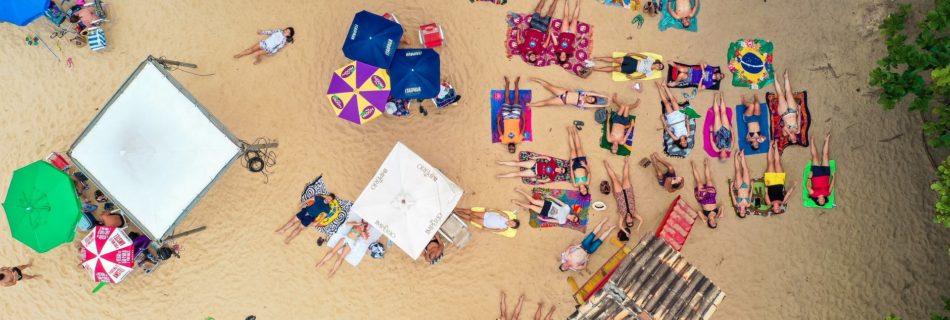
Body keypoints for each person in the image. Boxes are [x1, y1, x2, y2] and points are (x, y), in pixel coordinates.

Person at [604, 158, 642, 240]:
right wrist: (638, 227)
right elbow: (641, 220)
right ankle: (627, 162)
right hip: (628, 192)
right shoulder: (634, 214)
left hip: (619, 194)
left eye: (628, 222)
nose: (629, 220)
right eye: (631, 221)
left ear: (626, 221)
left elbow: (620, 225)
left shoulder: (622, 216)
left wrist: (625, 232)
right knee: (626, 176)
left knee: (614, 179)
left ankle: (606, 165)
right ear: (632, 219)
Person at [528, 77, 610, 109]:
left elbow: (595, 105)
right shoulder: (585, 93)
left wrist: (605, 105)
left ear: (589, 102)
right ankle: (536, 80)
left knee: (546, 103)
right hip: (565, 92)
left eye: (591, 101)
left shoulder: (584, 104)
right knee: (549, 86)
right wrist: (604, 96)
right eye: (591, 97)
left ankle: (530, 104)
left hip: (563, 101)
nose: (590, 99)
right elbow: (596, 95)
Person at [512, 188, 579, 225]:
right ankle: (520, 191)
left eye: (573, 220)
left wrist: (544, 219)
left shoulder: (563, 221)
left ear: (571, 221)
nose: (573, 218)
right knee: (533, 201)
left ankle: (517, 202)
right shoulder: (567, 209)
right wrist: (551, 197)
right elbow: (559, 202)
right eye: (574, 217)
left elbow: (553, 220)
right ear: (574, 215)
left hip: (546, 212)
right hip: (549, 205)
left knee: (531, 207)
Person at [764, 141, 796, 214]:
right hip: (780, 181)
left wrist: (766, 186)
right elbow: (788, 194)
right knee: (778, 162)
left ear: (772, 209)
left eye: (776, 210)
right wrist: (793, 186)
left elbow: (766, 193)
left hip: (770, 182)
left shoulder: (769, 203)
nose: (777, 208)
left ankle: (770, 146)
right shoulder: (782, 202)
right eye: (779, 209)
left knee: (770, 163)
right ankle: (775, 146)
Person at [497, 76, 526, 154]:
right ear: (515, 147)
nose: (511, 147)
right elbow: (523, 128)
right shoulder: (518, 140)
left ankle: (507, 83)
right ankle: (516, 83)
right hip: (516, 117)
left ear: (508, 148)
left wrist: (498, 121)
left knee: (506, 99)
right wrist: (523, 118)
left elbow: (499, 131)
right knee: (516, 98)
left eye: (510, 149)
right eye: (513, 149)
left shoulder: (504, 141)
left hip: (506, 118)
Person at [657, 82, 690, 149]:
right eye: (686, 143)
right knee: (673, 100)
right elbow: (687, 124)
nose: (684, 142)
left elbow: (668, 130)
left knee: (666, 103)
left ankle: (659, 88)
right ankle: (664, 85)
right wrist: (687, 116)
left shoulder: (676, 138)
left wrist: (663, 120)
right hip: (680, 117)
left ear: (680, 143)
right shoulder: (688, 134)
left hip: (672, 120)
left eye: (683, 144)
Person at [691, 159, 722, 228]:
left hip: (703, 199)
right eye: (715, 224)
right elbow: (722, 206)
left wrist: (703, 219)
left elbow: (699, 211)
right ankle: (706, 164)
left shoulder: (705, 217)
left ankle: (693, 166)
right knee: (709, 179)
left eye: (712, 224)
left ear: (709, 223)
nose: (714, 222)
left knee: (698, 182)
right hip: (712, 196)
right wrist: (721, 213)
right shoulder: (717, 215)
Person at [773, 70, 802, 143]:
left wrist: (790, 134)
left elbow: (785, 127)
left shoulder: (785, 133)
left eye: (793, 140)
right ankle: (786, 77)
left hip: (784, 113)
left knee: (780, 94)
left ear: (789, 139)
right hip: (793, 111)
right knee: (789, 92)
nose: (794, 138)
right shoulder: (797, 131)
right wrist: (799, 109)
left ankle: (775, 78)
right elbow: (799, 119)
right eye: (795, 139)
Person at [496, 154, 568, 183]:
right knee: (517, 163)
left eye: (561, 172)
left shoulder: (554, 175)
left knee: (517, 174)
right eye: (562, 169)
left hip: (534, 173)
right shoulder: (554, 163)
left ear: (560, 173)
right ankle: (501, 162)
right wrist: (536, 157)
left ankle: (501, 176)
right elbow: (546, 158)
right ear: (561, 167)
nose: (560, 170)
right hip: (534, 164)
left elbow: (545, 180)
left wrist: (536, 179)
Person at [806, 133, 835, 206]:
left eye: (820, 202)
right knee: (826, 155)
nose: (823, 201)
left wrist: (809, 177)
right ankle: (826, 140)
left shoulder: (813, 194)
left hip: (816, 175)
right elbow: (832, 185)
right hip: (826, 175)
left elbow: (807, 186)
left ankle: (812, 140)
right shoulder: (827, 194)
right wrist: (834, 176)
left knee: (815, 157)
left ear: (817, 200)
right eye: (824, 202)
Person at [591, 53, 665, 79]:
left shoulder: (650, 72)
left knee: (614, 68)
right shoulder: (651, 60)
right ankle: (596, 58)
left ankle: (595, 69)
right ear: (658, 63)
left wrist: (633, 77)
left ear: (657, 69)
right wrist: (632, 54)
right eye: (659, 65)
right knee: (614, 59)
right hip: (633, 61)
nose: (658, 66)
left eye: (659, 67)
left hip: (632, 68)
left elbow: (641, 77)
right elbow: (641, 56)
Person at [551, 0, 581, 66]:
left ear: (559, 57)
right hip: (572, 33)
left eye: (561, 58)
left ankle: (566, 1)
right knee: (575, 19)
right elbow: (575, 45)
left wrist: (551, 34)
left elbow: (555, 41)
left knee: (565, 16)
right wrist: (581, 38)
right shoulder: (569, 52)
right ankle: (578, 2)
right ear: (566, 58)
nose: (563, 57)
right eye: (564, 58)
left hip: (563, 32)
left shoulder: (557, 50)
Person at [567, 126, 591, 196]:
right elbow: (589, 173)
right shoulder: (587, 183)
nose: (584, 190)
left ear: (580, 191)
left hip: (574, 166)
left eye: (582, 192)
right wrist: (585, 166)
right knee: (579, 148)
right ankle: (575, 131)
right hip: (582, 165)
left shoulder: (575, 184)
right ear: (586, 189)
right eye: (585, 191)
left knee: (572, 149)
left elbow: (572, 174)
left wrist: (571, 165)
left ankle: (570, 133)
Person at [709, 92, 734, 160]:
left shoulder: (717, 149)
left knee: (717, 114)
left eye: (723, 157)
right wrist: (731, 130)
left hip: (717, 131)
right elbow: (733, 139)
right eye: (725, 156)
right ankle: (722, 98)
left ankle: (715, 98)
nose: (724, 155)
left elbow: (711, 141)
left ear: (720, 156)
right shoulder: (729, 148)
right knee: (724, 113)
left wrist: (711, 131)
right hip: (726, 130)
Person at [454, 208, 520, 232]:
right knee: (472, 213)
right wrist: (491, 209)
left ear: (511, 227)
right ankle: (457, 209)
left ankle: (456, 213)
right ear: (512, 220)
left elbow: (495, 230)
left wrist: (487, 229)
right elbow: (498, 211)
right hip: (488, 215)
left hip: (486, 223)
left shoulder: (504, 228)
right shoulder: (506, 216)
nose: (511, 223)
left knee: (471, 218)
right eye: (512, 222)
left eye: (512, 225)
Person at [731, 149, 752, 218]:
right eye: (744, 213)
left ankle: (735, 156)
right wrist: (752, 187)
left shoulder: (736, 204)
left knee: (738, 171)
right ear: (745, 212)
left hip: (739, 187)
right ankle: (742, 156)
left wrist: (731, 187)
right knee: (746, 170)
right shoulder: (748, 205)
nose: (742, 212)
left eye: (741, 213)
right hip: (747, 186)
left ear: (739, 212)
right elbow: (750, 194)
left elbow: (732, 195)